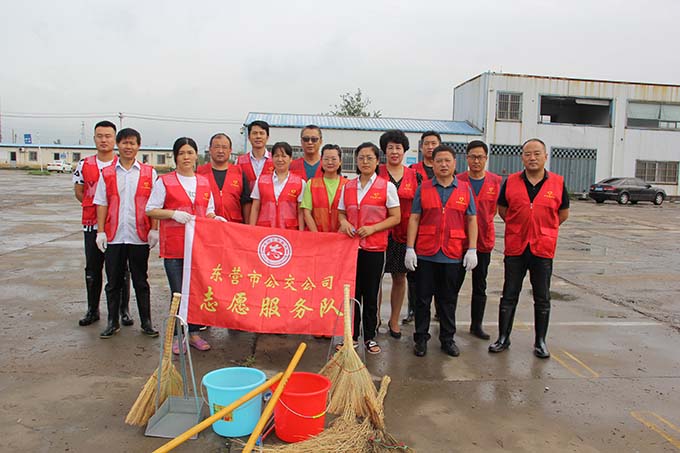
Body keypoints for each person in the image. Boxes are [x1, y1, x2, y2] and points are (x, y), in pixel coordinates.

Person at [489, 138, 569, 359]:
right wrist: (519, 226)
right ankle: (503, 338)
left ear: (545, 156)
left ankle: (540, 341)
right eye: (527, 154)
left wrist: (544, 228)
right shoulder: (511, 182)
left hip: (542, 248)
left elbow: (563, 214)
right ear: (522, 157)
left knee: (542, 296)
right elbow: (503, 209)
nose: (532, 158)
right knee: (509, 294)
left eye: (536, 153)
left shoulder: (558, 183)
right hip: (516, 246)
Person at [146, 137, 222, 353]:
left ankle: (194, 334)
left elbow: (208, 210)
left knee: (196, 292)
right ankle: (178, 336)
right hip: (175, 248)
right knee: (178, 293)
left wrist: (215, 218)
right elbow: (151, 209)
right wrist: (172, 214)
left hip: (198, 249)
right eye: (181, 153)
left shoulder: (204, 182)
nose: (186, 157)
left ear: (196, 155)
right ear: (175, 157)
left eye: (190, 152)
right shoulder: (165, 181)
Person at [405, 144, 478, 358]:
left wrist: (472, 248)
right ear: (433, 164)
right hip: (426, 253)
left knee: (448, 300)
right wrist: (410, 248)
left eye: (447, 161)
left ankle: (447, 339)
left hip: (452, 254)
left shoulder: (464, 189)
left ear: (455, 163)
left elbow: (471, 219)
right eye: (439, 161)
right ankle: (420, 338)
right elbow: (415, 218)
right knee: (422, 299)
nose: (443, 165)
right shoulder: (424, 188)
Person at [93, 128, 159, 339]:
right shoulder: (107, 173)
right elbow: (101, 203)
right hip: (114, 235)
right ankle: (112, 322)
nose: (128, 147)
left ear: (138, 146)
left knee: (141, 280)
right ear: (118, 145)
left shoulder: (149, 173)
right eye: (124, 143)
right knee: (113, 282)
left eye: (132, 143)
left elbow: (155, 204)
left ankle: (146, 322)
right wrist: (100, 231)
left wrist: (154, 229)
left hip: (139, 235)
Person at [338, 142, 400, 354]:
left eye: (369, 158)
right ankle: (351, 337)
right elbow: (341, 213)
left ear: (377, 161)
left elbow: (396, 217)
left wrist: (373, 228)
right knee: (352, 293)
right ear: (356, 161)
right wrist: (344, 223)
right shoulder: (348, 186)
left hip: (375, 248)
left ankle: (370, 337)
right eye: (361, 158)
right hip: (351, 249)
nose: (365, 161)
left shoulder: (387, 187)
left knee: (371, 294)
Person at [73, 120, 130, 327]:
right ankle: (92, 309)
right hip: (91, 225)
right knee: (93, 268)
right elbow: (79, 192)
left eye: (108, 136)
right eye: (100, 136)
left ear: (115, 139)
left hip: (118, 226)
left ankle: (124, 310)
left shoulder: (122, 165)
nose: (104, 140)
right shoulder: (84, 164)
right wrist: (98, 212)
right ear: (94, 138)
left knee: (121, 269)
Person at [377, 130, 422, 339]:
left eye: (398, 148)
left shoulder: (415, 176)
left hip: (404, 235)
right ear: (384, 151)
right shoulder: (376, 172)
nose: (394, 152)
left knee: (399, 277)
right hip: (378, 233)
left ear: (404, 151)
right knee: (375, 278)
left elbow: (419, 209)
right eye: (390, 148)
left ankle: (394, 320)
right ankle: (374, 318)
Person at [457, 140, 502, 340]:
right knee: (451, 284)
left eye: (480, 157)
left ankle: (476, 325)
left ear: (486, 158)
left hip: (483, 241)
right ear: (466, 158)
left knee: (480, 284)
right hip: (459, 241)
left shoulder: (496, 181)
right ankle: (445, 320)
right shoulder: (458, 180)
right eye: (473, 157)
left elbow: (498, 209)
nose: (476, 161)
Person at [403, 130, 442, 324]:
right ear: (421, 147)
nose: (430, 147)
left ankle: (439, 310)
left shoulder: (446, 169)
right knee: (414, 274)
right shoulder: (413, 170)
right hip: (417, 227)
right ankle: (413, 309)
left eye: (434, 143)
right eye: (426, 143)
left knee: (440, 273)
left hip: (439, 228)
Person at [249, 142, 306, 230]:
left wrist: (301, 233)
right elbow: (255, 208)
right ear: (272, 158)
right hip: (265, 230)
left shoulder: (300, 183)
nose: (280, 159)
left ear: (291, 159)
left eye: (284, 156)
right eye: (276, 156)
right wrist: (251, 230)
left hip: (289, 230)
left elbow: (300, 212)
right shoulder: (261, 181)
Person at [196, 133, 251, 222]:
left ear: (230, 150)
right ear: (210, 150)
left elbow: (246, 203)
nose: (220, 151)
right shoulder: (199, 173)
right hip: (207, 224)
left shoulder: (239, 173)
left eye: (224, 147)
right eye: (217, 147)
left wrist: (248, 226)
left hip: (233, 225)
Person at [301, 144, 347, 232]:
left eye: (334, 159)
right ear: (321, 161)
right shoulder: (311, 183)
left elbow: (351, 214)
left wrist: (338, 235)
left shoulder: (348, 185)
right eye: (326, 159)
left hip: (341, 235)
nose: (330, 162)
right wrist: (318, 235)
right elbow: (307, 213)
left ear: (340, 161)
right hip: (316, 235)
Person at [238, 120, 274, 191]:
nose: (258, 136)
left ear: (267, 137)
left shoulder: (275, 160)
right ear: (249, 137)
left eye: (261, 133)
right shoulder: (239, 161)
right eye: (254, 133)